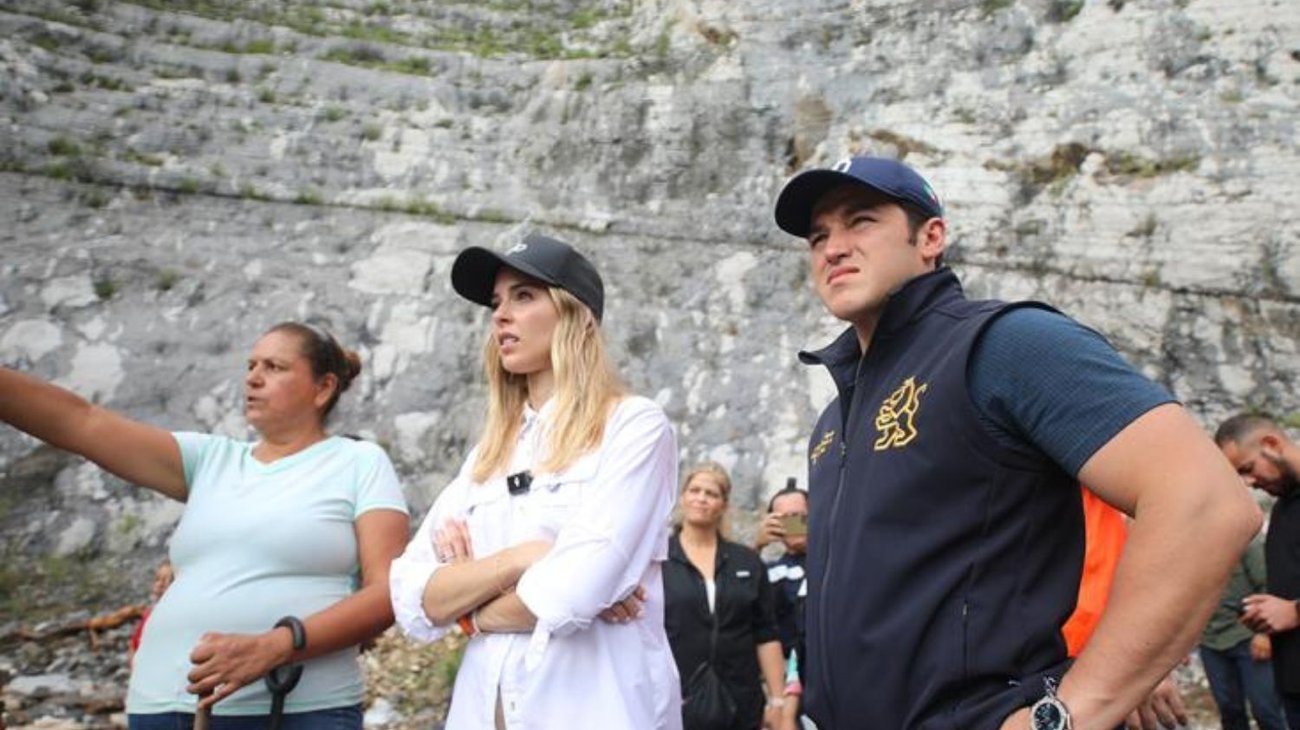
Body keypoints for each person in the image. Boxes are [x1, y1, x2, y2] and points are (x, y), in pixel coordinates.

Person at [773, 155, 1261, 730]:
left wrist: (1074, 708)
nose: (833, 248)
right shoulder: (834, 419)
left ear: (931, 237)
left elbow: (1205, 505)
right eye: (818, 236)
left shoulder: (1003, 344)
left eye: (861, 222)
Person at [0, 322, 411, 729]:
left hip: (294, 710)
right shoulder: (209, 459)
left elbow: (388, 592)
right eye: (251, 365)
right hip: (159, 706)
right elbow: (81, 423)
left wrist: (278, 645)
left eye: (274, 367)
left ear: (323, 388)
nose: (253, 377)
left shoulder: (358, 462)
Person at [388, 232, 682, 729]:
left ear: (576, 315)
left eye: (524, 296)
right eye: (498, 302)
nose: (500, 314)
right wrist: (528, 558)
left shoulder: (634, 426)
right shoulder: (489, 455)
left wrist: (469, 609)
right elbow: (411, 598)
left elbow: (572, 592)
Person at [664, 463, 787, 730]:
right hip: (675, 700)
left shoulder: (747, 561)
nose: (701, 498)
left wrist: (778, 700)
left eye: (711, 493)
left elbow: (766, 634)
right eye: (694, 490)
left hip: (740, 700)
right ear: (683, 497)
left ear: (723, 505)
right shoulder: (658, 560)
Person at [1217, 414, 1300, 728]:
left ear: (1271, 444)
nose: (1249, 483)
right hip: (1291, 683)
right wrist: (1266, 615)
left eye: (1247, 469)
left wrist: (1295, 611)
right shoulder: (1281, 510)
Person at [1200, 534, 1287, 730]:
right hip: (1210, 641)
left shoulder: (1245, 541)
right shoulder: (1189, 547)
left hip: (1248, 636)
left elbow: (1269, 585)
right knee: (1229, 710)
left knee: (1266, 710)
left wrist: (1265, 634)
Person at [755, 481, 809, 730]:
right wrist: (757, 546)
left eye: (800, 517)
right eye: (785, 519)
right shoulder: (770, 573)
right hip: (793, 682)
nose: (794, 524)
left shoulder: (842, 560)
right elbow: (728, 597)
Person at [129, 559, 176, 668]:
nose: (160, 584)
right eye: (157, 579)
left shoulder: (180, 618)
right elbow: (134, 645)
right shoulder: (149, 615)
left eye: (167, 580)